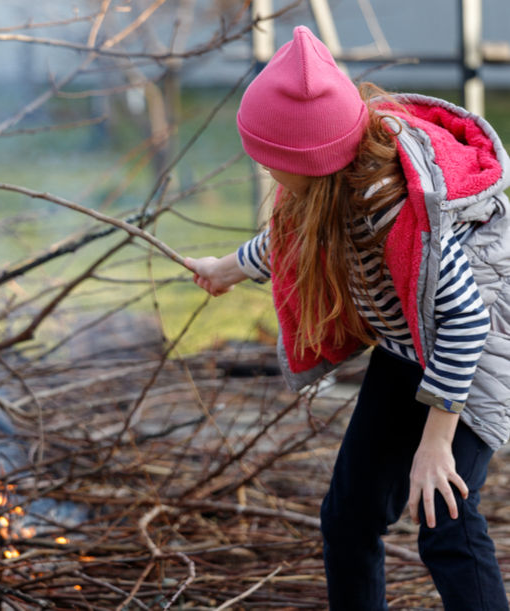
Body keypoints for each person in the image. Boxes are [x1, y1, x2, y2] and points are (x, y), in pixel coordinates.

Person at [185, 25, 510, 610]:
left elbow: (466, 320)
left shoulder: (392, 207)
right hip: (410, 347)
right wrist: (226, 269)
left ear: (306, 159)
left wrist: (436, 443)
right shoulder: (330, 183)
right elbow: (289, 242)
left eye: (268, 156)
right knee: (348, 519)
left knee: (445, 522)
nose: (261, 164)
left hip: (476, 356)